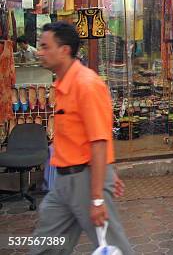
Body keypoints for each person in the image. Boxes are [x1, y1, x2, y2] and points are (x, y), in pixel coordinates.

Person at [30, 22, 133, 255]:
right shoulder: (63, 84)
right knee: (44, 246)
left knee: (112, 247)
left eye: (45, 47)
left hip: (87, 182)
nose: (40, 52)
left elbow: (99, 140)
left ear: (64, 50)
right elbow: (87, 135)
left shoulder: (87, 84)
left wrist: (97, 198)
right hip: (64, 181)